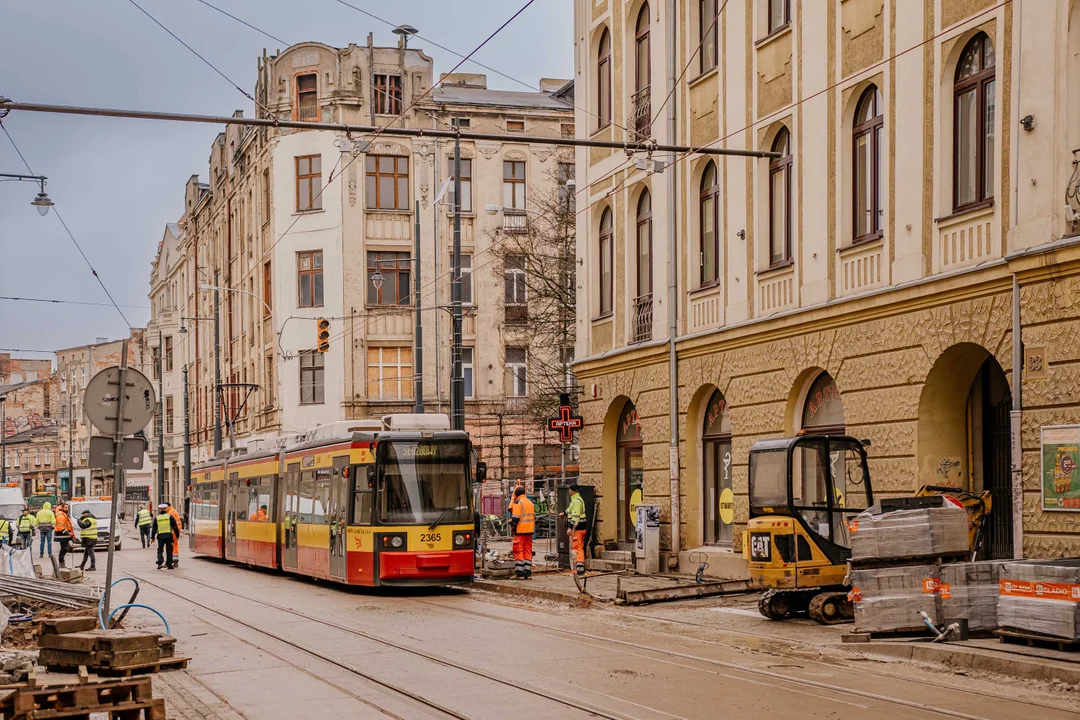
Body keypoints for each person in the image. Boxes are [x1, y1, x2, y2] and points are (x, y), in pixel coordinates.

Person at [508, 487, 536, 579]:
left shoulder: (517, 503)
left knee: (518, 551)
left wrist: (511, 522)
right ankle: (528, 573)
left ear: (516, 495)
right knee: (527, 551)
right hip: (530, 531)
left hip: (520, 531)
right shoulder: (530, 502)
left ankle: (519, 573)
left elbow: (516, 518)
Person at [560, 483, 587, 576]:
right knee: (580, 547)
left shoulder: (576, 501)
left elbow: (575, 517)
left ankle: (579, 568)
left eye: (569, 490)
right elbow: (570, 509)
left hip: (577, 529)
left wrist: (570, 528)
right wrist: (564, 513)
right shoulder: (577, 499)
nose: (568, 492)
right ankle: (579, 566)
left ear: (572, 491)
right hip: (581, 528)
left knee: (576, 548)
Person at [155, 503, 181, 569]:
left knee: (169, 548)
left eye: (165, 508)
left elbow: (173, 525)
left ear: (168, 507)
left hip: (171, 533)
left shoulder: (170, 513)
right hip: (173, 532)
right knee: (172, 547)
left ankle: (171, 562)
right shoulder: (173, 511)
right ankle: (171, 562)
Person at [54, 503, 74, 568]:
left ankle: (62, 564)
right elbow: (60, 526)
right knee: (64, 549)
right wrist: (67, 533)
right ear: (62, 508)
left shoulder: (63, 514)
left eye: (67, 507)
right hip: (62, 534)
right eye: (65, 507)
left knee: (64, 549)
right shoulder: (61, 515)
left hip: (64, 534)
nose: (67, 509)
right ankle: (61, 564)